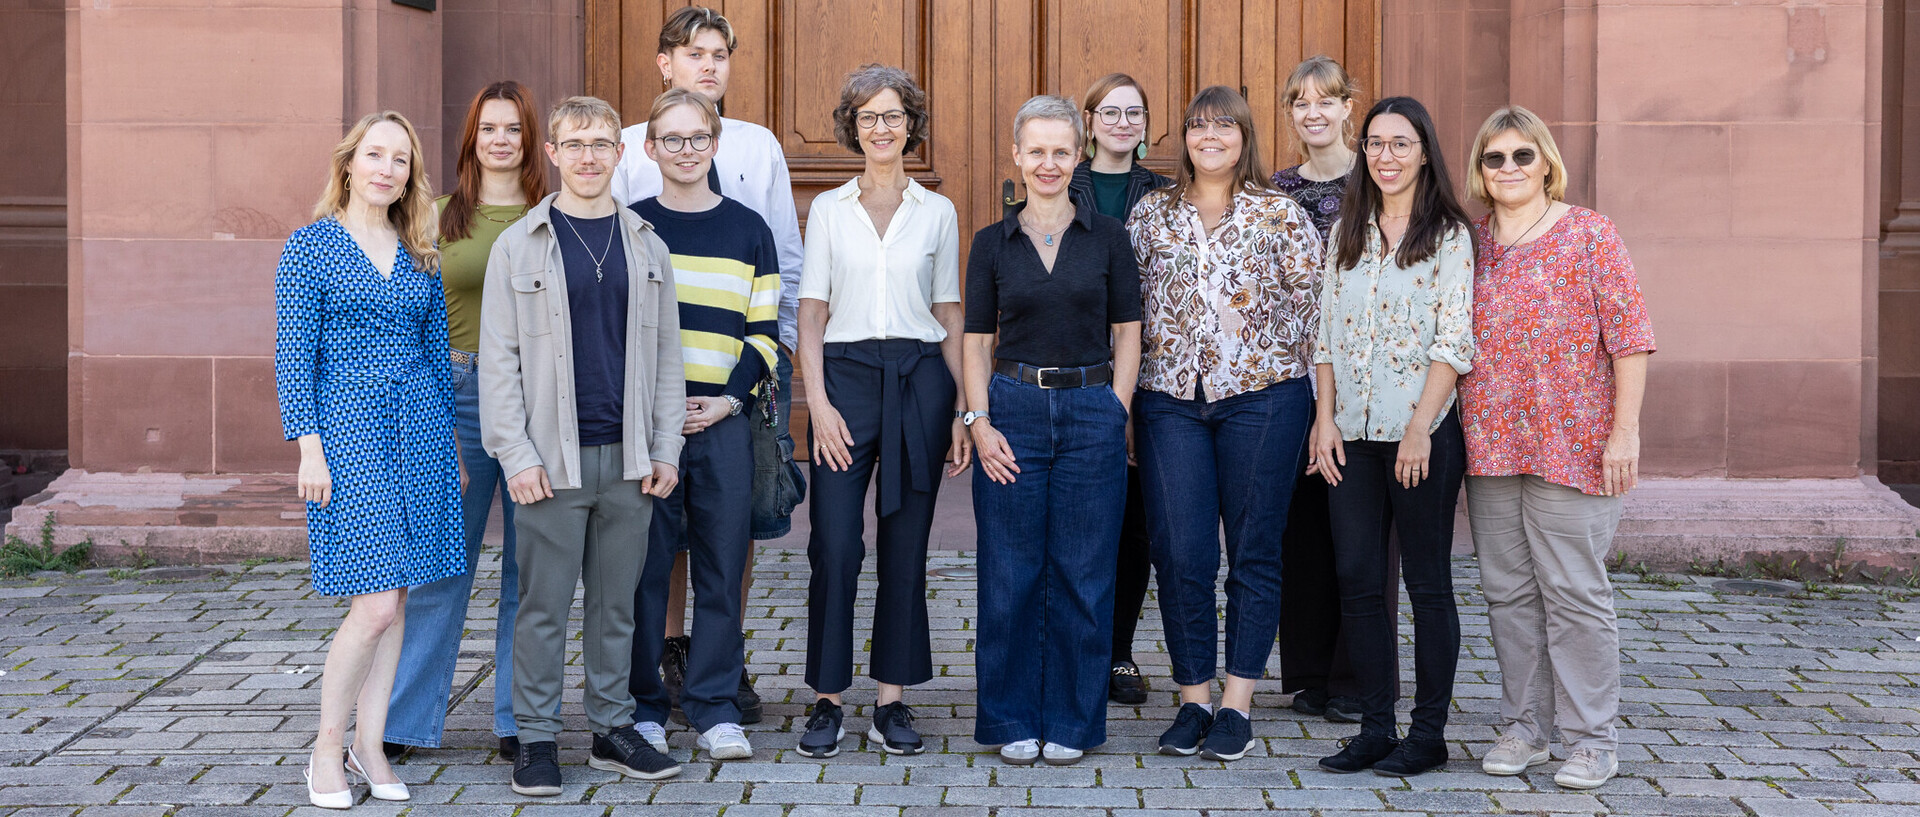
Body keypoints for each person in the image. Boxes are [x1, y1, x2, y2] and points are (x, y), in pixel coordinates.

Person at [480, 95, 687, 795]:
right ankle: (536, 739)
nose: (589, 156)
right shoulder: (521, 244)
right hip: (551, 460)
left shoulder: (647, 245)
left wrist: (666, 448)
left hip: (629, 457)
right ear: (555, 154)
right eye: (576, 144)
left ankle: (611, 728)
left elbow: (666, 359)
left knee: (617, 603)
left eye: (601, 143)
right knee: (542, 605)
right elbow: (499, 360)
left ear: (620, 153)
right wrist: (517, 454)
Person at [612, 5, 805, 725]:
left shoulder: (756, 146)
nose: (710, 64)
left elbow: (781, 252)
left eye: (721, 53)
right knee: (658, 524)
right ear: (665, 63)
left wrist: (770, 363)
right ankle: (668, 650)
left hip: (739, 375)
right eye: (695, 52)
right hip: (653, 380)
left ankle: (724, 656)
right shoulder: (628, 145)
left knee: (736, 520)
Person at [1459, 105, 1654, 791]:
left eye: (1522, 155)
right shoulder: (1471, 243)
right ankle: (1524, 726)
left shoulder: (1591, 234)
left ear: (1546, 162)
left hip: (1574, 444)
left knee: (1574, 592)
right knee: (1507, 593)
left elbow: (1630, 338)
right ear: (1480, 171)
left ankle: (1593, 738)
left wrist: (1623, 432)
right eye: (1494, 157)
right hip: (1489, 445)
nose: (1509, 168)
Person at [275, 110, 465, 809]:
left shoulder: (420, 248)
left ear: (410, 175)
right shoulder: (310, 247)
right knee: (375, 600)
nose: (387, 169)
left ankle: (372, 742)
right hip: (348, 430)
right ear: (349, 163)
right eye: (375, 155)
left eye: (402, 160)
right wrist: (309, 449)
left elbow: (436, 356)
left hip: (418, 427)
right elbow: (294, 356)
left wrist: (448, 446)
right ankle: (327, 747)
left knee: (402, 596)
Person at [1128, 86, 1321, 762]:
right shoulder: (1151, 215)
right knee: (1181, 552)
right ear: (1183, 137)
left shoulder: (1282, 214)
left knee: (1254, 549)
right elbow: (1125, 314)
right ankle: (1192, 698)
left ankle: (1236, 702)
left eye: (1224, 125)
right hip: (1168, 399)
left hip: (1265, 398)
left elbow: (1314, 318)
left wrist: (1324, 413)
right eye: (1198, 125)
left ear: (1245, 136)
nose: (1210, 136)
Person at [794, 64, 969, 759]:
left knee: (905, 545)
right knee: (834, 544)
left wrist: (961, 407)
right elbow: (810, 316)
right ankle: (827, 697)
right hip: (846, 380)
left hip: (921, 382)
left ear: (911, 126)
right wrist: (821, 407)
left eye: (893, 115)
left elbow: (949, 314)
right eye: (868, 116)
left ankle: (891, 700)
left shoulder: (939, 212)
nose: (881, 128)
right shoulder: (831, 209)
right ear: (852, 127)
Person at [967, 95, 1142, 766]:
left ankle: (1071, 718)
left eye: (1060, 151)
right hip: (1011, 409)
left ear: (1079, 155)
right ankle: (1010, 716)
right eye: (1035, 150)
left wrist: (1116, 409)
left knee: (1084, 571)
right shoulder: (992, 242)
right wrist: (978, 420)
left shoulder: (1109, 238)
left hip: (1091, 410)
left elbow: (1128, 332)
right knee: (1010, 571)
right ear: (1016, 155)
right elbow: (975, 340)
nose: (1047, 163)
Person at [381, 80, 547, 765]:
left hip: (541, 398)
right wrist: (427, 417)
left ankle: (518, 717)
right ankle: (406, 720)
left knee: (528, 567)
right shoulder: (436, 218)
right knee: (441, 562)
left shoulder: (556, 215)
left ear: (531, 139)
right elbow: (409, 322)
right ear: (471, 140)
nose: (501, 139)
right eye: (489, 129)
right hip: (457, 392)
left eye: (513, 128)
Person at [1308, 96, 1473, 778]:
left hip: (1421, 435)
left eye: (1400, 143)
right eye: (1374, 143)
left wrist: (1417, 429)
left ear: (1425, 151)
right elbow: (1323, 334)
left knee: (1428, 586)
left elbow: (1453, 339)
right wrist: (1322, 421)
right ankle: (1376, 725)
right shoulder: (1348, 228)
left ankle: (1427, 733)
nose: (1386, 155)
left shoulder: (1449, 234)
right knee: (1356, 580)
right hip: (1349, 435)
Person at [625, 88, 781, 761]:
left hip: (723, 419)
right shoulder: (629, 227)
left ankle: (714, 704)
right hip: (651, 423)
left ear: (715, 145)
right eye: (672, 138)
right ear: (650, 147)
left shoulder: (750, 229)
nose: (685, 150)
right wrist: (653, 407)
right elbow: (615, 331)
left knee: (722, 563)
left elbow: (766, 333)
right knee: (646, 567)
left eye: (698, 138)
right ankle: (645, 705)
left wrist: (729, 400)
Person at [1267, 56, 1377, 726]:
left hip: (1361, 374)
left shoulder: (1378, 177)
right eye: (1301, 103)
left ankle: (1354, 673)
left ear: (1347, 108)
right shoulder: (1275, 189)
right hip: (1291, 374)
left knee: (1352, 525)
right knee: (1299, 526)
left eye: (1326, 102)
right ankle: (1308, 671)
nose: (1313, 113)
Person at [1066, 72, 1170, 707]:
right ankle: (1074, 646)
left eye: (1135, 112)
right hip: (1074, 365)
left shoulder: (1165, 193)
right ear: (1089, 119)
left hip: (1149, 370)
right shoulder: (1057, 183)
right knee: (1080, 519)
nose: (1123, 122)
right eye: (1111, 111)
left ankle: (1119, 652)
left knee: (1136, 523)